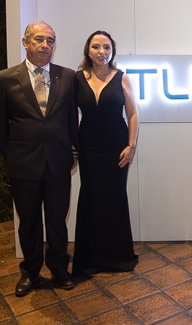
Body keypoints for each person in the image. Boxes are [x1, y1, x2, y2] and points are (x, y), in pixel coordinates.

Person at [0, 22, 78, 295]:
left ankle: (59, 270)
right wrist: (12, 156)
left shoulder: (67, 76)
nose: (45, 45)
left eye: (50, 40)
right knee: (28, 223)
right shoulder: (6, 78)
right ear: (25, 42)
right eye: (39, 39)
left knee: (57, 221)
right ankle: (30, 273)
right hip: (23, 165)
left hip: (58, 164)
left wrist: (73, 150)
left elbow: (71, 120)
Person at [72, 30, 139, 275]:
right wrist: (72, 145)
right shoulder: (77, 79)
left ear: (113, 51)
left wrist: (131, 146)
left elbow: (133, 114)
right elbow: (69, 115)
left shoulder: (122, 77)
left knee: (115, 198)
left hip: (116, 147)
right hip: (88, 147)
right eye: (96, 47)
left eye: (107, 47)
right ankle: (90, 258)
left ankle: (117, 257)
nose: (102, 52)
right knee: (90, 198)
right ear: (88, 51)